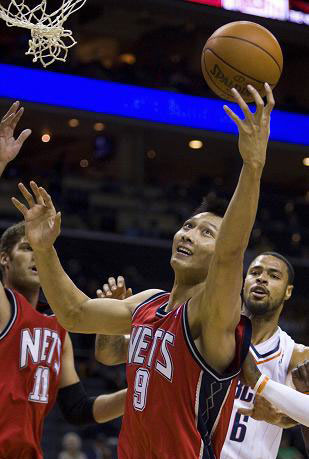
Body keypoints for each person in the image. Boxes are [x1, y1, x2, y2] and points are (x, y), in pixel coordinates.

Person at [12, 83, 274, 458]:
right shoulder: (150, 304)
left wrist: (252, 166)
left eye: (206, 233)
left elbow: (231, 252)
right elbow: (75, 313)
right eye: (188, 225)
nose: (188, 234)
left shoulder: (212, 312)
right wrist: (44, 248)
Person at [0, 102, 126, 459]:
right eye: (26, 248)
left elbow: (78, 408)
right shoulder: (4, 305)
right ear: (4, 259)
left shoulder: (59, 328)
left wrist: (139, 393)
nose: (35, 255)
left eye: (39, 248)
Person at [96, 253, 309, 459]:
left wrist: (283, 417)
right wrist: (107, 321)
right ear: (243, 282)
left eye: (273, 275)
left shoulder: (296, 356)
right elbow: (110, 354)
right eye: (255, 272)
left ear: (288, 291)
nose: (262, 278)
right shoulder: (196, 329)